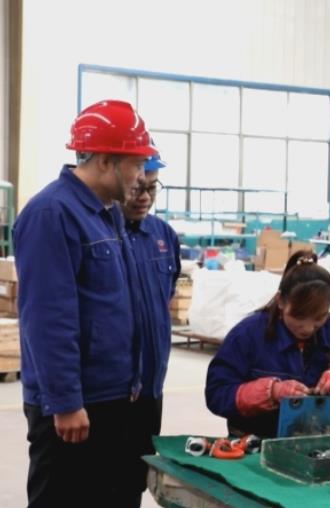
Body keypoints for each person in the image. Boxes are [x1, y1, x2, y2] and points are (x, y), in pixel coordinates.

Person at [14, 100, 155, 507]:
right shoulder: (51, 214)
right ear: (106, 161)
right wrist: (65, 402)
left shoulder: (107, 214)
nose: (142, 177)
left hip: (112, 396)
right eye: (136, 164)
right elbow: (47, 318)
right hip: (74, 407)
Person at [206, 251, 330, 437]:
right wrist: (271, 392)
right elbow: (217, 393)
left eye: (319, 317)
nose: (308, 328)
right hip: (257, 440)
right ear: (281, 301)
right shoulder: (247, 335)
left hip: (324, 437)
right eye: (299, 317)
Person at [121, 145, 181, 503]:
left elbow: (166, 296)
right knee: (99, 479)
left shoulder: (163, 236)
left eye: (152, 187)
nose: (144, 197)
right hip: (112, 387)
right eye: (137, 187)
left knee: (135, 474)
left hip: (151, 384)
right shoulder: (103, 233)